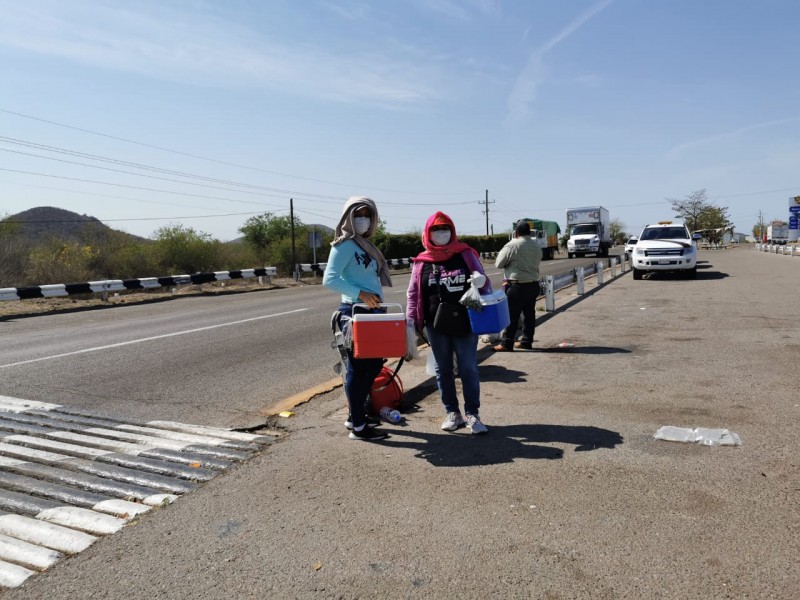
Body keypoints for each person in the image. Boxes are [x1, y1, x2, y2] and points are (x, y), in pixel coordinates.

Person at [406, 212, 491, 434]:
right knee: (442, 369)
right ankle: (452, 412)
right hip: (435, 324)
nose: (441, 233)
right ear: (427, 233)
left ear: (452, 231)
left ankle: (473, 413)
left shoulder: (465, 254)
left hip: (465, 321)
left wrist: (482, 282)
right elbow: (413, 293)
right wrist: (411, 321)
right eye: (436, 229)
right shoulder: (421, 262)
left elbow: (484, 284)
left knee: (468, 367)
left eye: (445, 229)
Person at [323, 196, 393, 441]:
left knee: (373, 366)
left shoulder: (364, 245)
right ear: (348, 216)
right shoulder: (343, 245)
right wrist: (360, 294)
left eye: (368, 214)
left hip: (372, 313)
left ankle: (356, 416)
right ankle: (359, 427)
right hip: (355, 312)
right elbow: (329, 279)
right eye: (359, 214)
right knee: (357, 368)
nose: (363, 219)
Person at [493, 219, 542, 352]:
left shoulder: (512, 245)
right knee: (529, 315)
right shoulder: (536, 245)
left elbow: (499, 264)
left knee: (511, 316)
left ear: (517, 232)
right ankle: (526, 341)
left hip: (516, 286)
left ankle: (506, 343)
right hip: (533, 285)